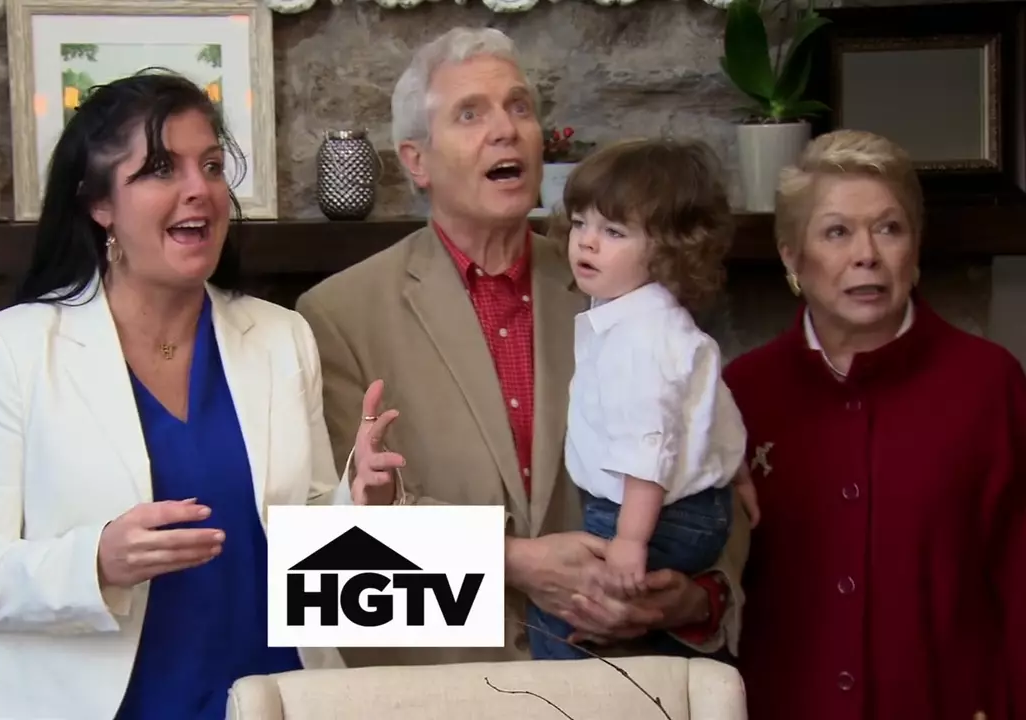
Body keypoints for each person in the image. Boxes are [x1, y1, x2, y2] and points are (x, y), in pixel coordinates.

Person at [0, 70, 396, 720]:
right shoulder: (13, 349)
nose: (200, 189)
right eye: (162, 169)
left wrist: (358, 503)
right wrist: (95, 562)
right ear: (100, 204)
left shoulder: (282, 336)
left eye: (212, 166)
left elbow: (303, 536)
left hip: (272, 697)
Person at [295, 27, 751, 668]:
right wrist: (509, 563)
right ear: (416, 161)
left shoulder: (630, 289)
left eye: (519, 107)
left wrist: (694, 599)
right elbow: (331, 570)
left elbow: (706, 462)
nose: (506, 129)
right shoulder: (336, 316)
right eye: (470, 113)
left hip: (619, 685)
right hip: (443, 698)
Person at [723, 129, 1026, 720]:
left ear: (915, 249)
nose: (867, 254)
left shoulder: (989, 385)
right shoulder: (742, 393)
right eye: (837, 232)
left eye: (889, 228)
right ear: (791, 256)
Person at [526, 138, 761, 661]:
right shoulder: (664, 322)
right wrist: (735, 475)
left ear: (667, 251)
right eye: (581, 223)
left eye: (614, 232)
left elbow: (647, 448)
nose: (587, 243)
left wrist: (630, 541)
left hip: (652, 515)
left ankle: (573, 690)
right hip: (699, 509)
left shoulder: (639, 340)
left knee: (557, 609)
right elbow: (713, 410)